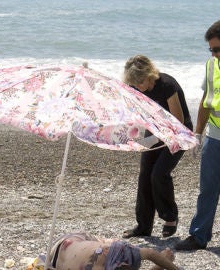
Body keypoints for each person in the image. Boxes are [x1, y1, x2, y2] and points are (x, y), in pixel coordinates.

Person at [122, 55, 193, 239]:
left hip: (179, 132)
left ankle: (170, 218)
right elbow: (137, 114)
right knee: (145, 175)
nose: (138, 87)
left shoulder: (167, 85)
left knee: (159, 174)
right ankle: (143, 226)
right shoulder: (135, 87)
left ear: (149, 74)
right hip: (155, 131)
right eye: (134, 84)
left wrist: (156, 139)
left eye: (140, 82)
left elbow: (178, 121)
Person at [174, 20, 220, 251]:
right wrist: (197, 134)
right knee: (207, 189)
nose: (214, 54)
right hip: (215, 136)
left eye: (217, 49)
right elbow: (206, 101)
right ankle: (199, 236)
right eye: (211, 50)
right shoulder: (212, 65)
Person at [27, 232, 181, 270]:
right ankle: (166, 259)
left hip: (65, 248)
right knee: (149, 253)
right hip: (104, 250)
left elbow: (151, 254)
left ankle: (165, 259)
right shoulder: (116, 250)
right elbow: (151, 253)